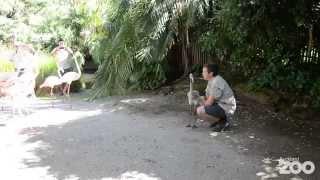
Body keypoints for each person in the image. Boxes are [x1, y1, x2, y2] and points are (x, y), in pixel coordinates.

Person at [196, 64, 236, 132]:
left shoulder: (216, 82)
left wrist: (199, 102)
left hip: (227, 107)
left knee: (200, 110)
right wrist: (199, 99)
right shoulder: (211, 80)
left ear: (211, 73)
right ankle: (219, 121)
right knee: (201, 104)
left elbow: (209, 102)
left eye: (204, 72)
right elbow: (207, 97)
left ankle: (223, 122)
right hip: (221, 104)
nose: (202, 73)